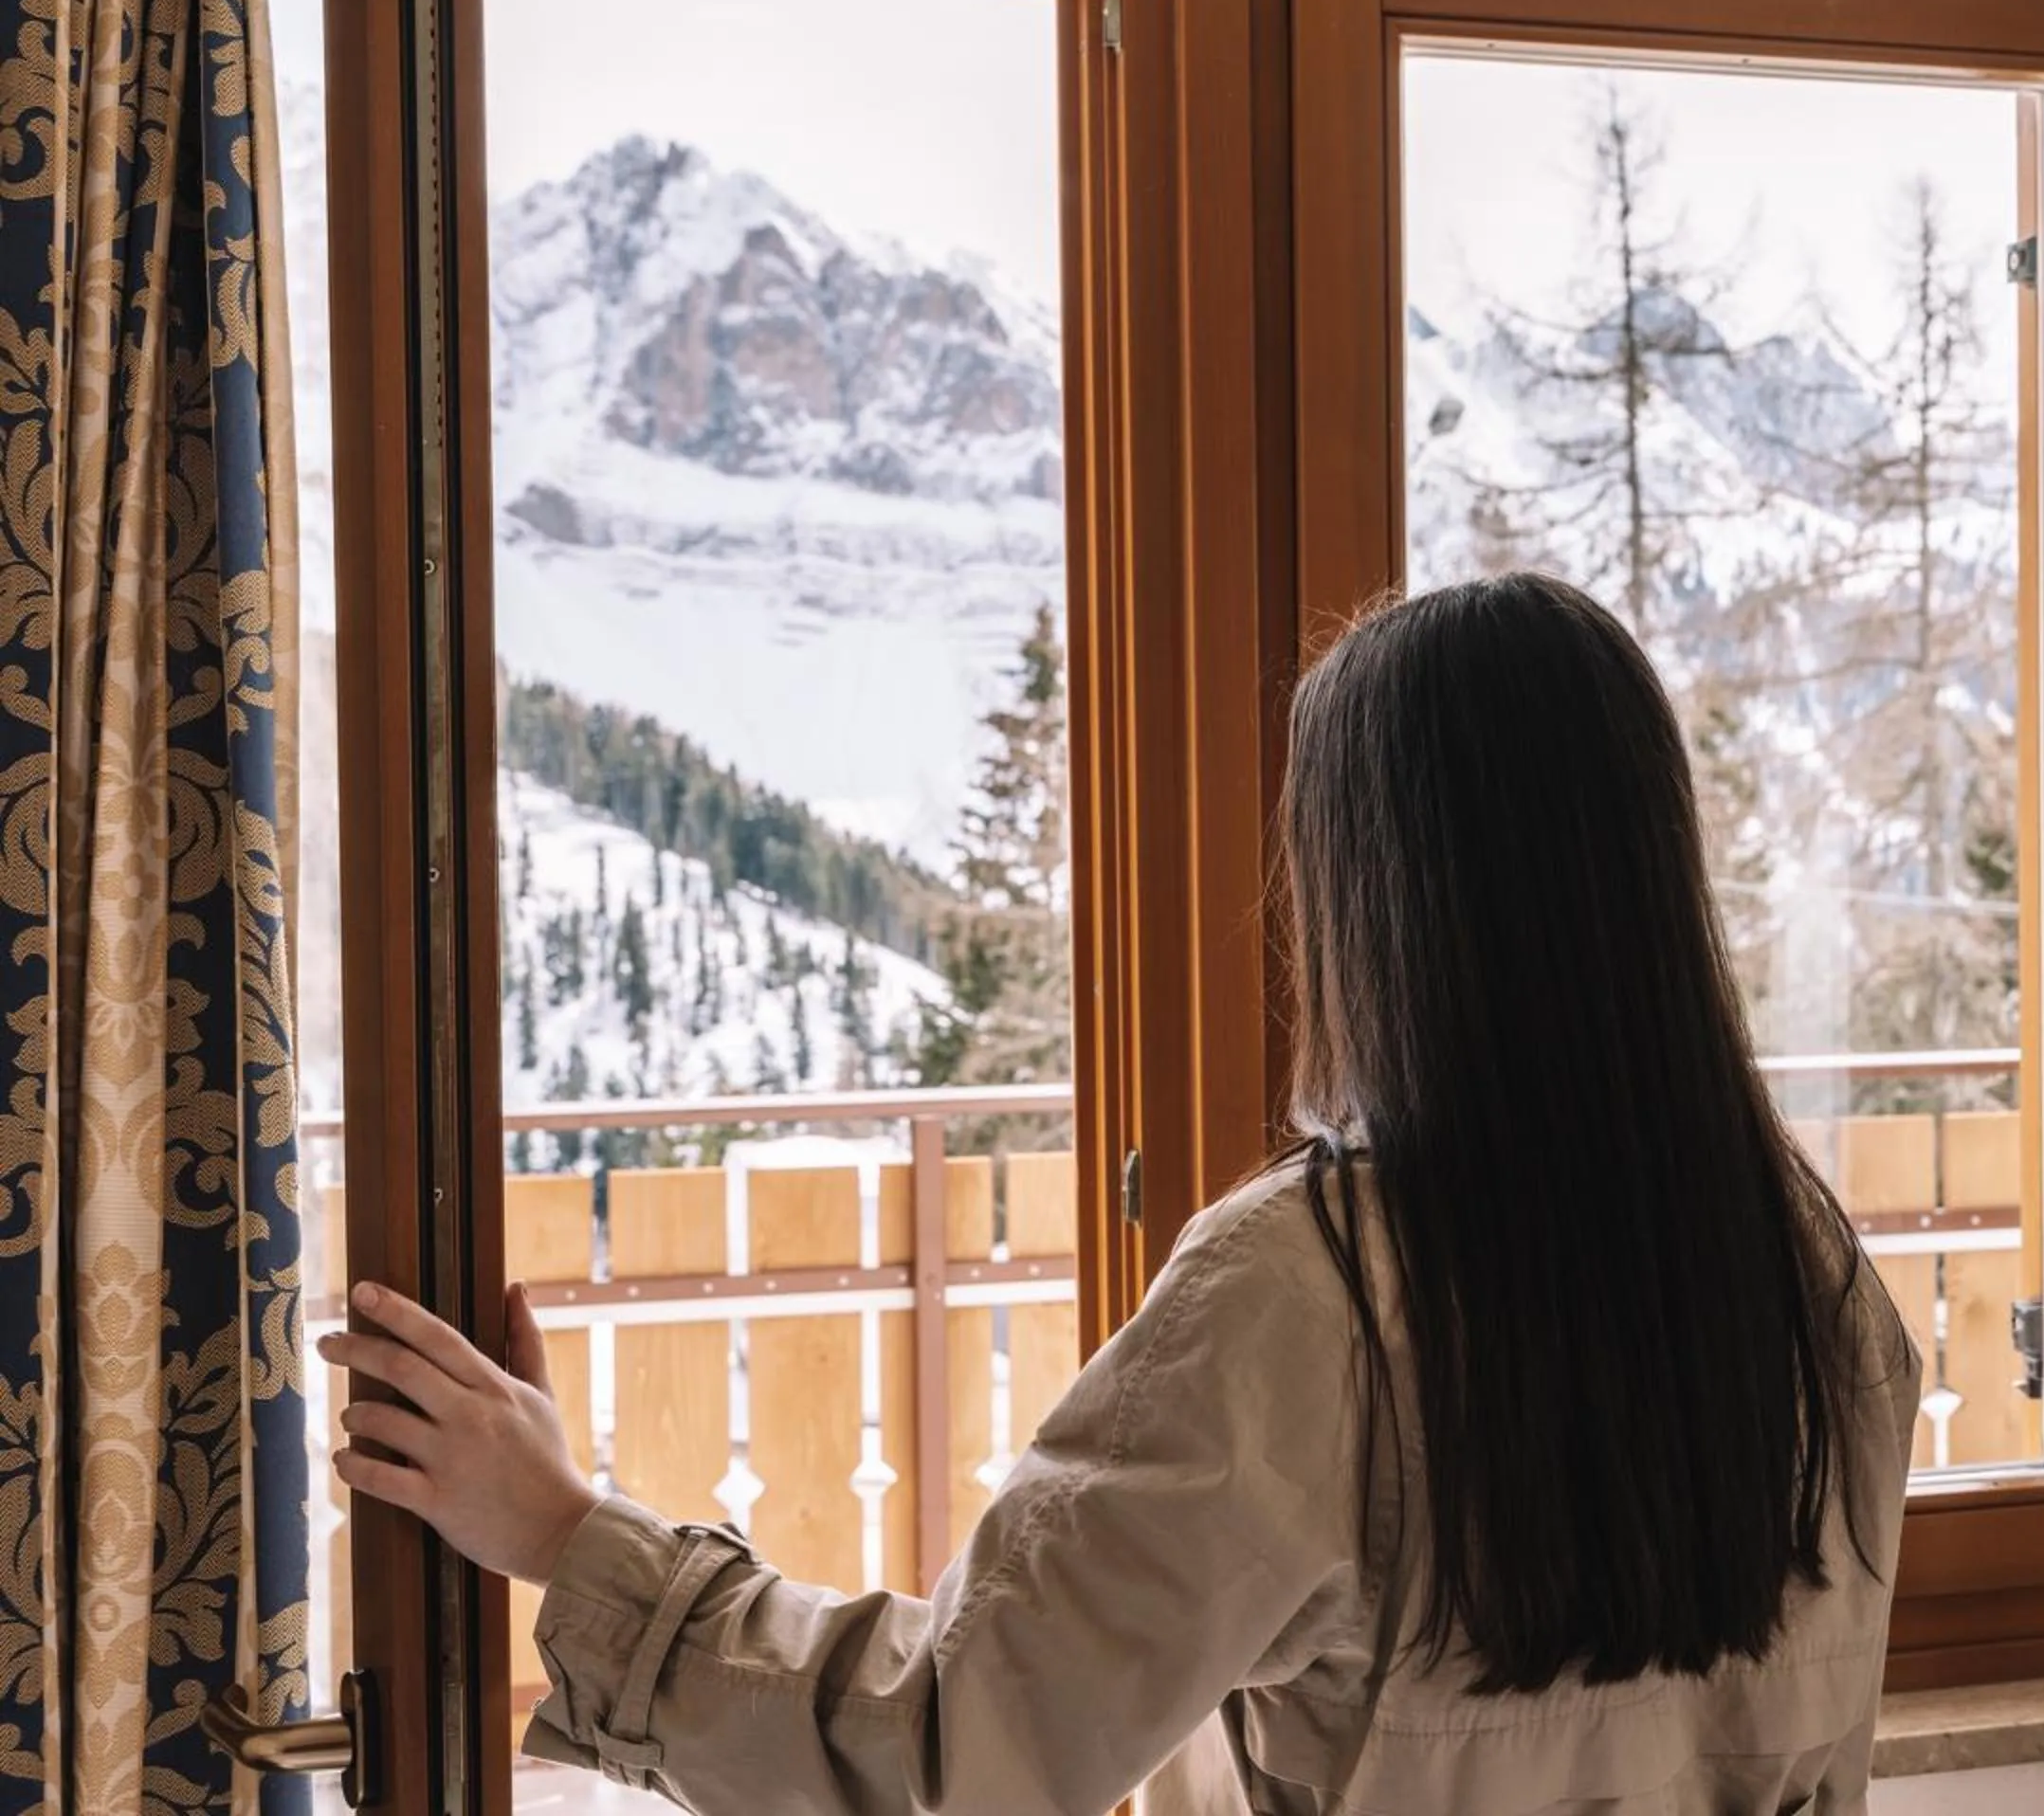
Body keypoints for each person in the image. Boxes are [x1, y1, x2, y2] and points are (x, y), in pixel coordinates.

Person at [324, 571, 1923, 1814]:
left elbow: (949, 1754)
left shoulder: (1316, 1300)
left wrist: (561, 1530)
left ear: (1378, 907)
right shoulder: (1808, 1278)